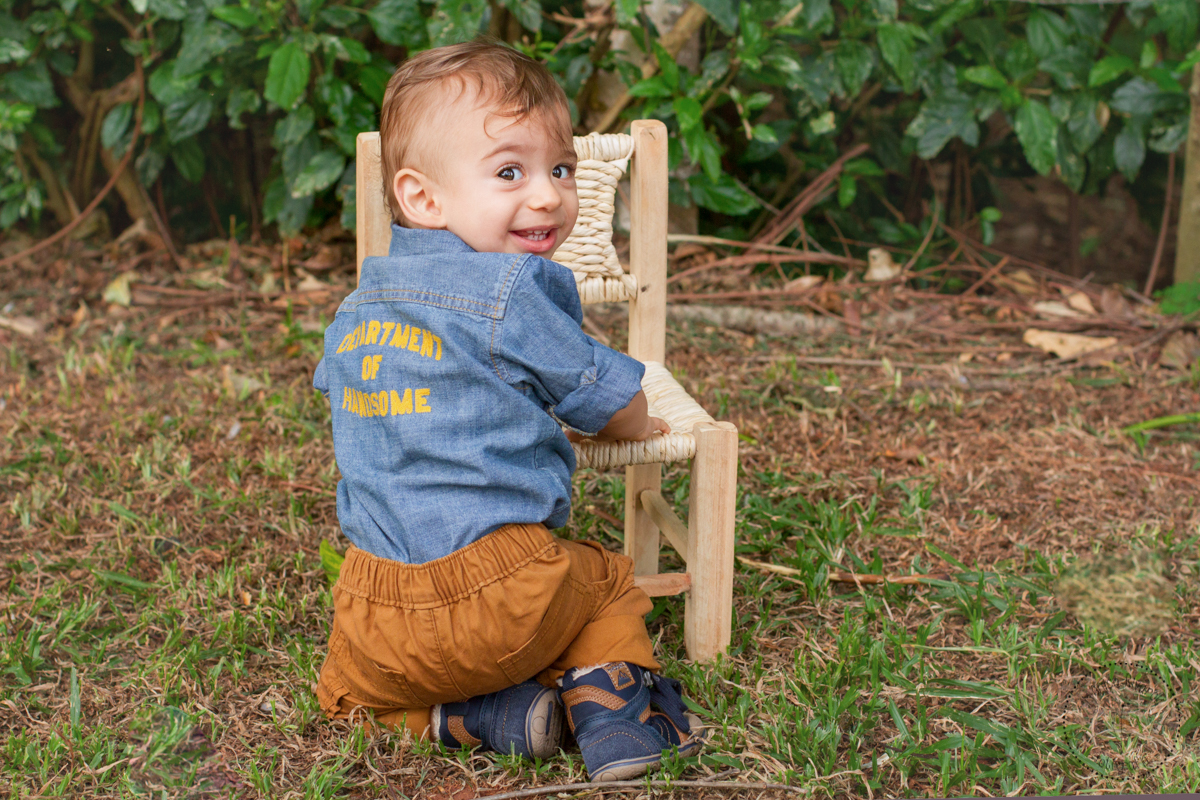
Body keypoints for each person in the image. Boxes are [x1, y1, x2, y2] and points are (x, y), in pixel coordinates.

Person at [312, 39, 704, 781]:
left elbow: (348, 394)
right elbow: (612, 400)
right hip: (503, 589)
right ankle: (614, 715)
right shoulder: (512, 288)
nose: (549, 194)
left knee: (342, 694)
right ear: (423, 198)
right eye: (510, 172)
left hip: (374, 606)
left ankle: (474, 719)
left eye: (561, 169)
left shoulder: (356, 308)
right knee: (605, 580)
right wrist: (637, 424)